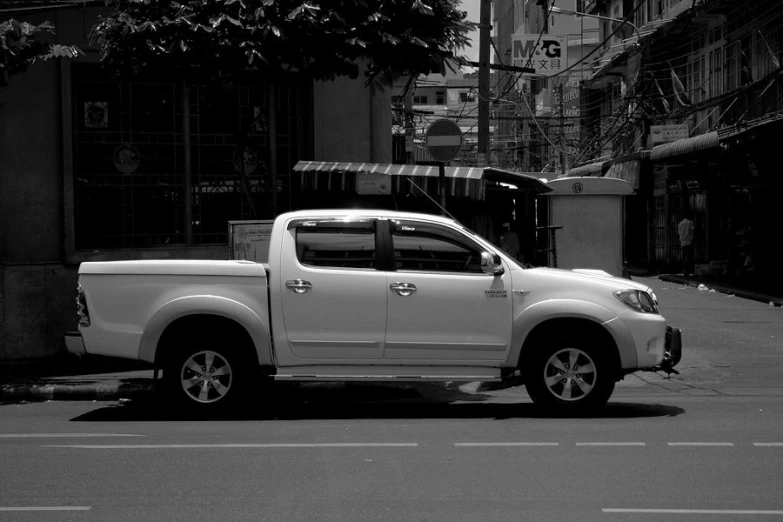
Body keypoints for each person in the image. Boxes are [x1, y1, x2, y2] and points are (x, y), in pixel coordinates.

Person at [678, 211, 695, 276]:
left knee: (684, 256)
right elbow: (693, 229)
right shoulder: (690, 222)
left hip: (682, 242)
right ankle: (688, 270)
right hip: (689, 241)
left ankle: (685, 270)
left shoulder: (680, 223)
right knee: (689, 257)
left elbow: (679, 233)